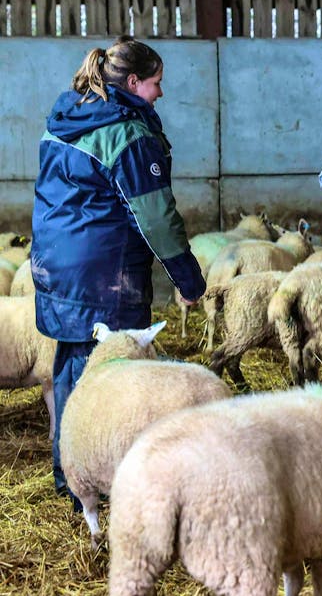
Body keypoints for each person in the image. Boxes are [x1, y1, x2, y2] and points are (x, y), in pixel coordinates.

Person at [32, 36, 206, 506]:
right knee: (119, 377)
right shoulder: (126, 133)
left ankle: (72, 477)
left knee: (73, 369)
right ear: (132, 82)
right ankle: (112, 480)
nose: (160, 93)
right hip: (105, 272)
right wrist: (188, 281)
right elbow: (155, 217)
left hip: (59, 267)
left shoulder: (69, 115)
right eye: (156, 83)